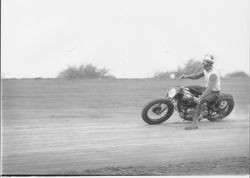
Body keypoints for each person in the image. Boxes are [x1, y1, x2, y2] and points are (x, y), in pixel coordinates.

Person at [179, 54, 221, 130]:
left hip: (214, 93)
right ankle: (189, 106)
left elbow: (210, 89)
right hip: (205, 89)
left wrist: (200, 98)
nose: (203, 63)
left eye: (205, 62)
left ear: (210, 63)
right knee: (188, 88)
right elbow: (196, 76)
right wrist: (186, 76)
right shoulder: (206, 70)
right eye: (203, 61)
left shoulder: (213, 74)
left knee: (200, 101)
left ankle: (195, 123)